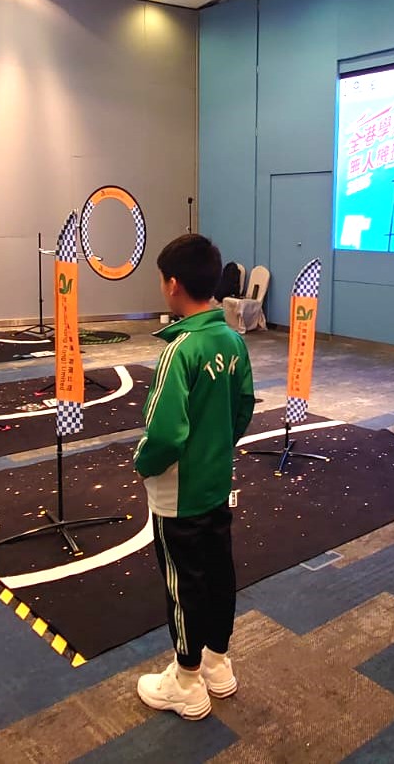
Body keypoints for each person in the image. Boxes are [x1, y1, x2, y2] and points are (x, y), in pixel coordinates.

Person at [135, 234, 256, 721]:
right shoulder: (232, 339)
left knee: (182, 582)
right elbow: (243, 408)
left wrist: (143, 463)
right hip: (217, 482)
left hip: (177, 493)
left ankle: (186, 681)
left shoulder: (179, 350)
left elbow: (164, 433)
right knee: (219, 570)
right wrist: (217, 448)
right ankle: (217, 662)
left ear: (173, 284)